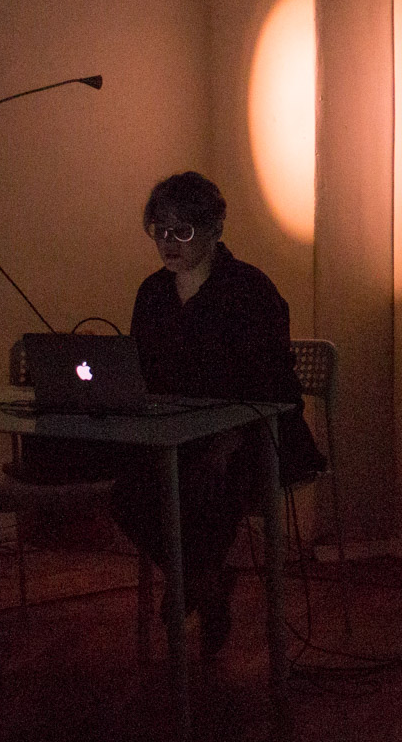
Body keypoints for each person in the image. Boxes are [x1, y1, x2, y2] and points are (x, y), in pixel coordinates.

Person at [110, 172, 325, 658]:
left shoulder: (251, 291)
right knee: (127, 489)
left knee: (205, 483)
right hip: (177, 433)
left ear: (215, 229)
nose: (169, 243)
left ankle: (194, 579)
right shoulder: (153, 293)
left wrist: (230, 438)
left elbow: (274, 389)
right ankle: (203, 580)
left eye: (182, 231)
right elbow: (143, 373)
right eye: (160, 230)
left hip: (255, 433)